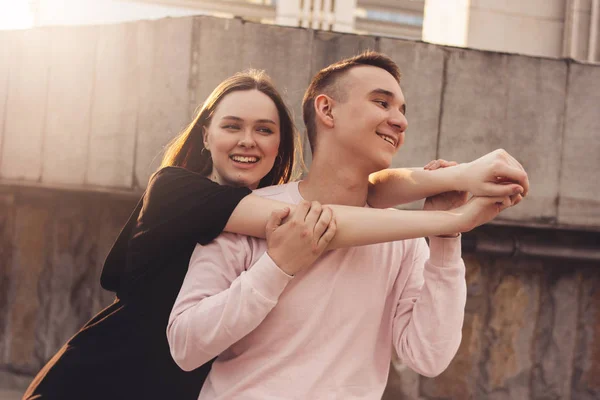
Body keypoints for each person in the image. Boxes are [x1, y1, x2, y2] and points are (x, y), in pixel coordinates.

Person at [24, 67, 526, 400]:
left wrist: (447, 226)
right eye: (232, 126)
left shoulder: (382, 227)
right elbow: (312, 223)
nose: (249, 141)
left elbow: (370, 195)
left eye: (265, 130)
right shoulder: (186, 194)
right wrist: (453, 214)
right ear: (206, 134)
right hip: (103, 382)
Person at [166, 52, 528, 399]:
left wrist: (447, 237)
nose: (400, 120)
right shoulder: (247, 212)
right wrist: (275, 267)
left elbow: (428, 357)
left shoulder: (403, 237)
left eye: (402, 110)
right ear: (326, 110)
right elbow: (185, 345)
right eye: (382, 103)